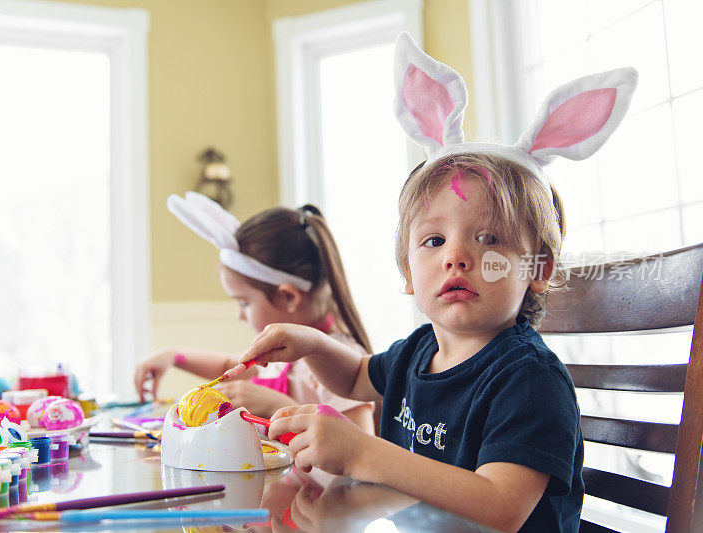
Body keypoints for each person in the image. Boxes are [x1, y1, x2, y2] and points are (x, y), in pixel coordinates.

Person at [237, 33, 637, 532]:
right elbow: (356, 376)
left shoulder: (528, 379)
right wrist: (311, 343)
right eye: (432, 242)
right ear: (407, 273)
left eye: (490, 237)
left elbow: (500, 508)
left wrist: (365, 454)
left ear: (537, 270)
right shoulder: (417, 352)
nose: (457, 256)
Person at [134, 191, 375, 433]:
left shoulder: (340, 363)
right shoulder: (279, 354)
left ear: (289, 296)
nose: (239, 315)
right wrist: (173, 356)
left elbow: (359, 458)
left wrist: (278, 407)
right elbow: (228, 366)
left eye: (244, 302)